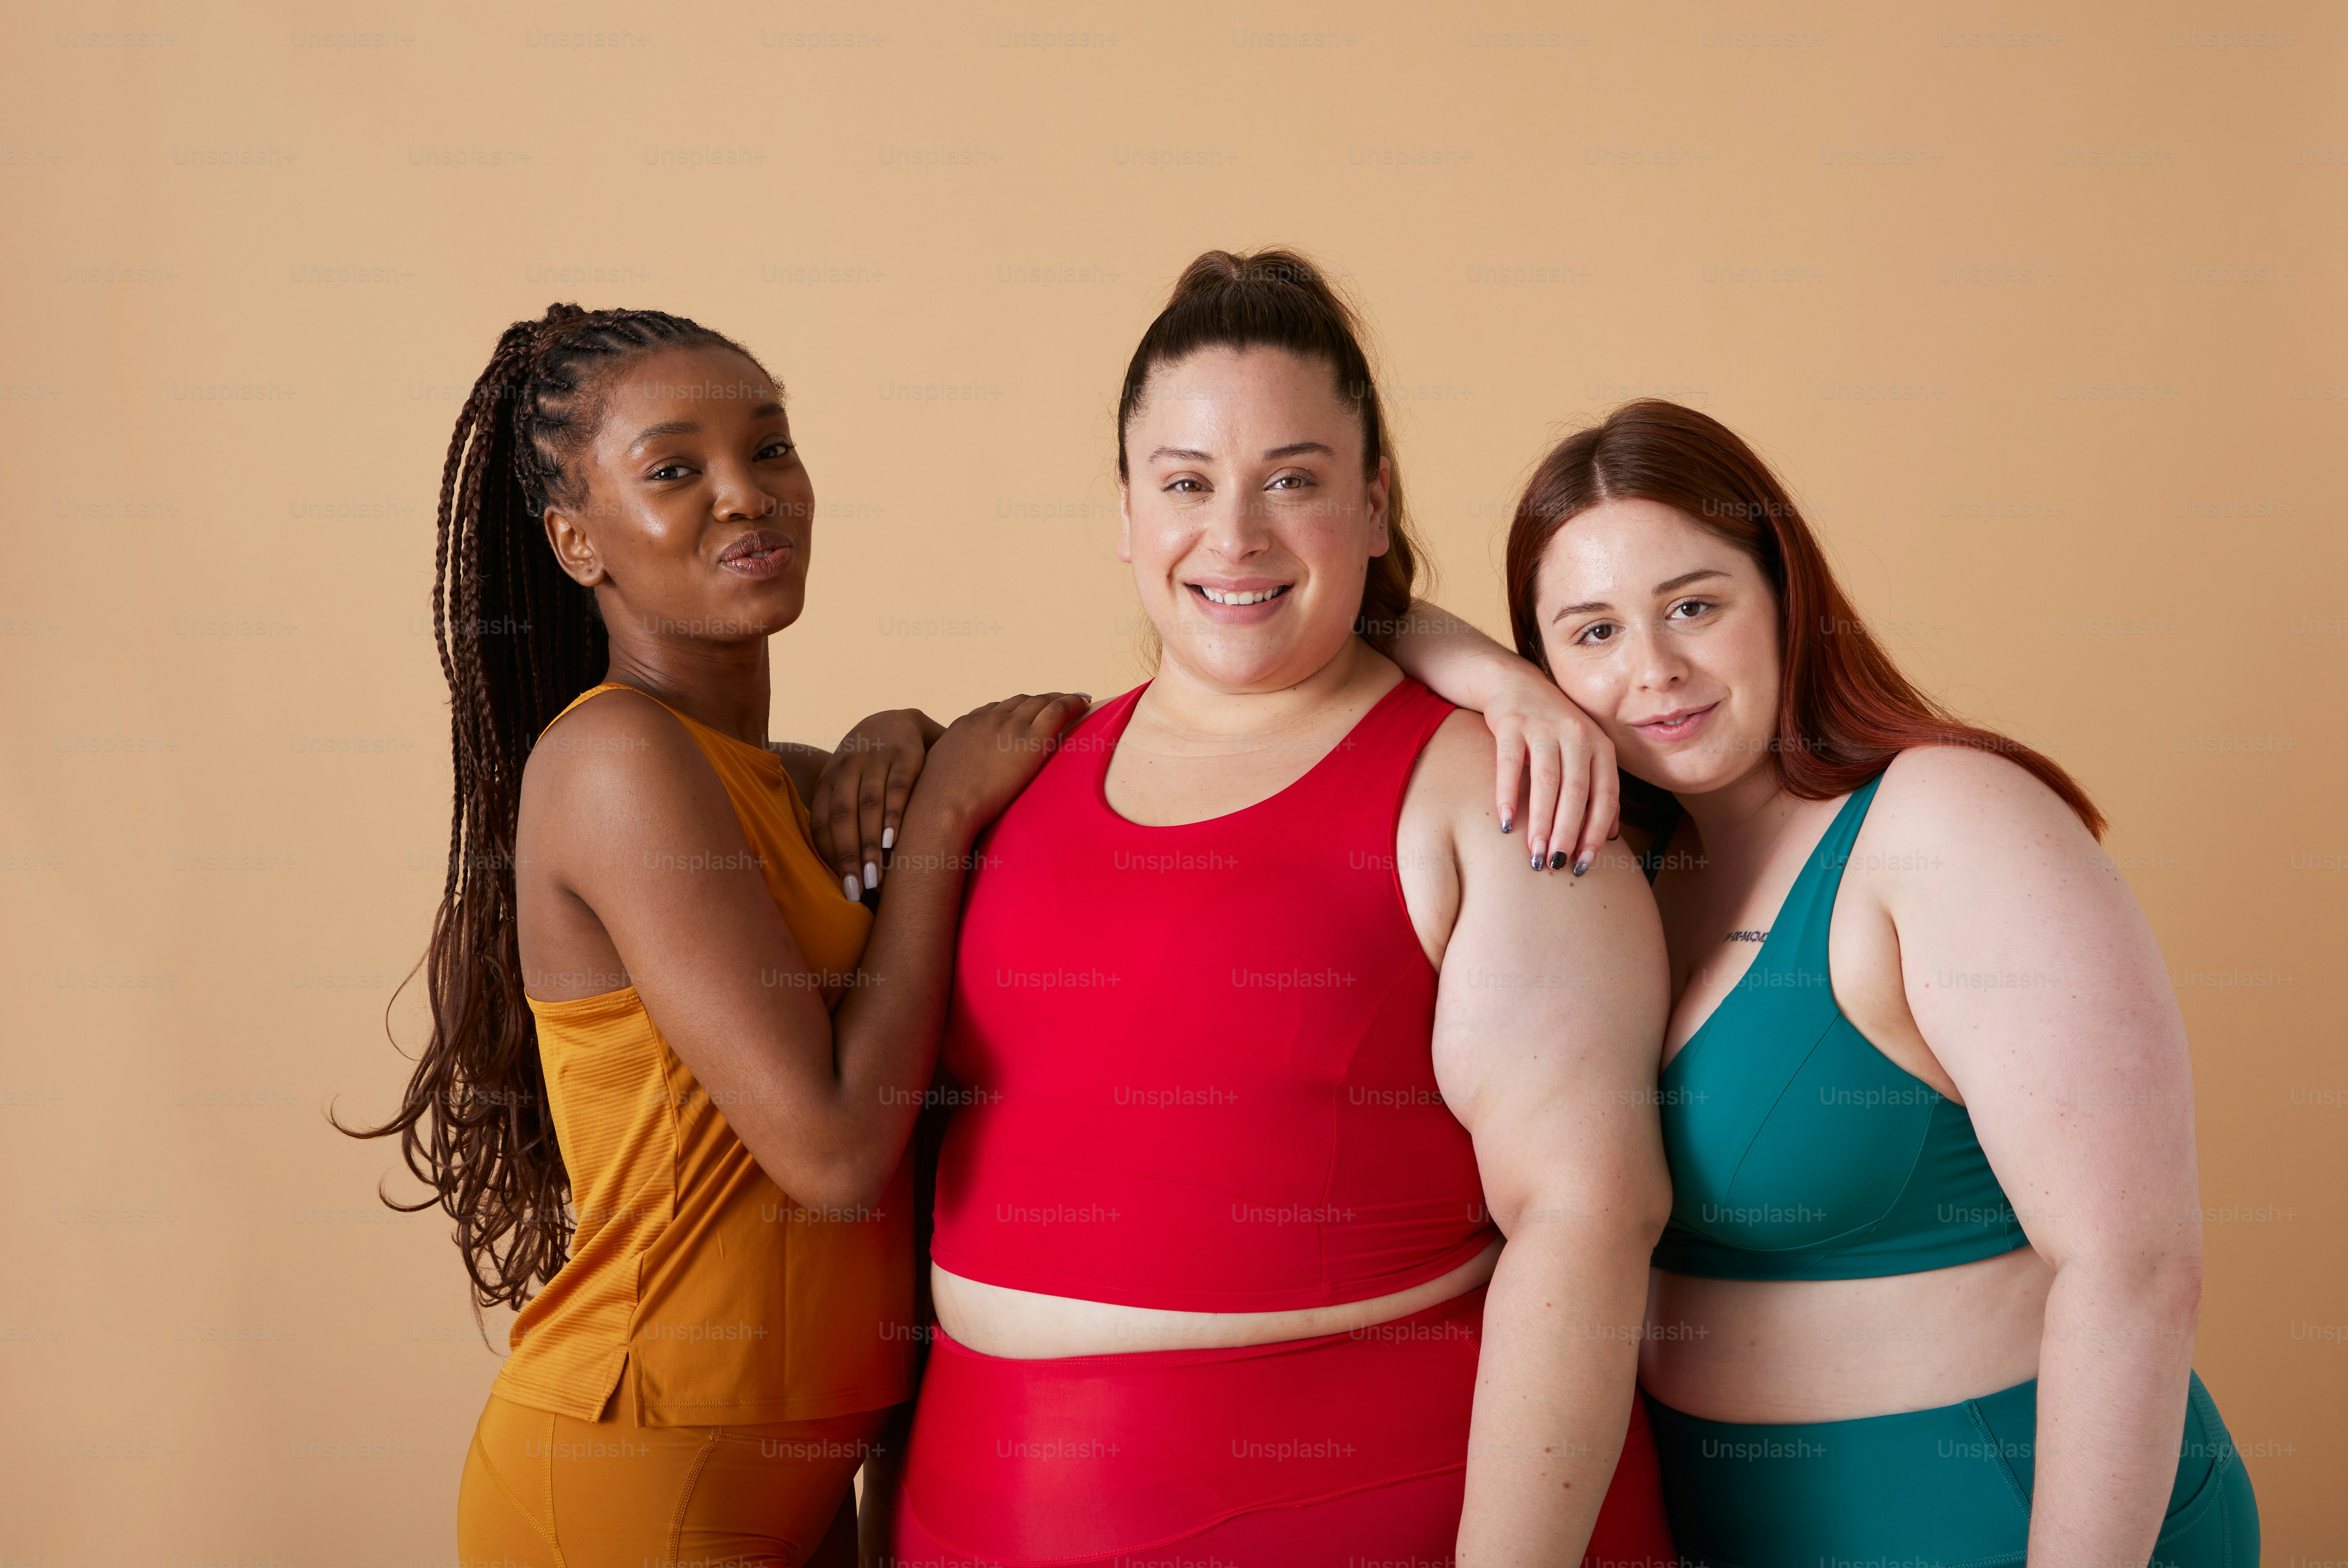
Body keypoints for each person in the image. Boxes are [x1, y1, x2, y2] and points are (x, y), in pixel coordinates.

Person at [882, 251, 1680, 1567]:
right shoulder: (1019, 770)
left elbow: (1588, 1217)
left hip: (1366, 1513)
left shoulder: (1496, 787)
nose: (1235, 536)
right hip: (962, 1510)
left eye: (1293, 482)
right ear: (1127, 515)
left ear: (1373, 509)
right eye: (1187, 484)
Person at [343, 303, 1085, 1565]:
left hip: (795, 1462)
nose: (748, 495)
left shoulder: (781, 781)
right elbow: (839, 1146)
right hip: (636, 1470)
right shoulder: (615, 761)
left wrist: (895, 736)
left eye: (773, 447)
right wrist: (944, 804)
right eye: (676, 469)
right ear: (578, 540)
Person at [1492, 398, 2259, 1567]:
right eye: (1591, 633)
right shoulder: (1615, 874)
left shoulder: (1946, 823)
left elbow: (2137, 1266)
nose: (1653, 670)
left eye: (1695, 605)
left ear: (1785, 596)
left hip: (2005, 1514)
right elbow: (1357, 630)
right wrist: (1471, 673)